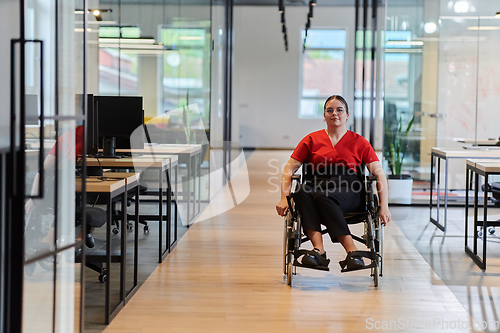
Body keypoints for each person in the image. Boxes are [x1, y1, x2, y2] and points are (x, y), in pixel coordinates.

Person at [275, 95, 391, 271]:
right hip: (317, 186)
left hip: (350, 191)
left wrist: (384, 205)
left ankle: (352, 250)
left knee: (323, 196)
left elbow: (379, 174)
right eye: (329, 110)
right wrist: (284, 198)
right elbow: (288, 170)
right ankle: (318, 250)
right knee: (301, 191)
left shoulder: (359, 142)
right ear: (324, 116)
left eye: (339, 110)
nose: (334, 114)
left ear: (347, 115)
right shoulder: (311, 140)